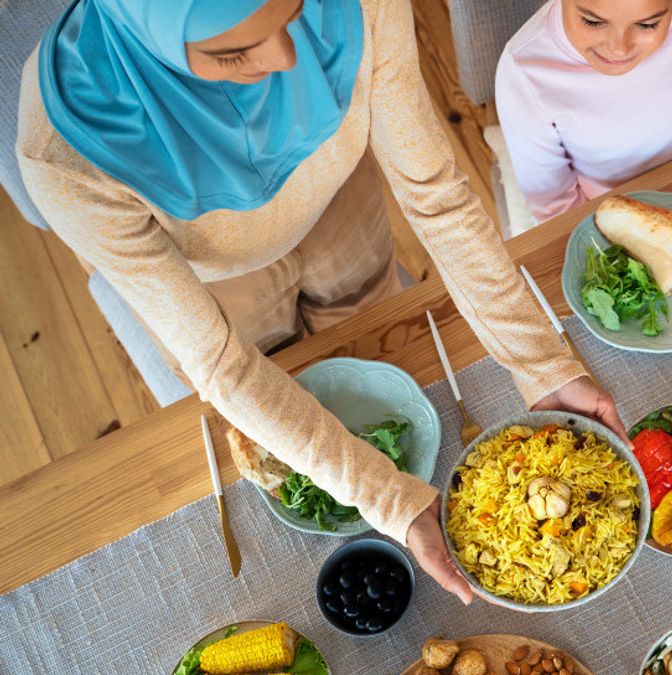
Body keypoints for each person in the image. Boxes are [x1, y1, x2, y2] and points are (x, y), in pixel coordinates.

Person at [17, 0, 625, 603]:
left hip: (340, 196)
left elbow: (437, 197)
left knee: (380, 327)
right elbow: (226, 368)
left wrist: (541, 361)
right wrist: (387, 499)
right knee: (273, 389)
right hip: (213, 277)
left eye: (296, 11)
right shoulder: (63, 152)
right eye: (233, 50)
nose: (287, 58)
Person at [495, 0, 672, 223]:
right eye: (593, 22)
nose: (618, 49)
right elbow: (554, 203)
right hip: (600, 213)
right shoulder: (524, 71)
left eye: (647, 25)